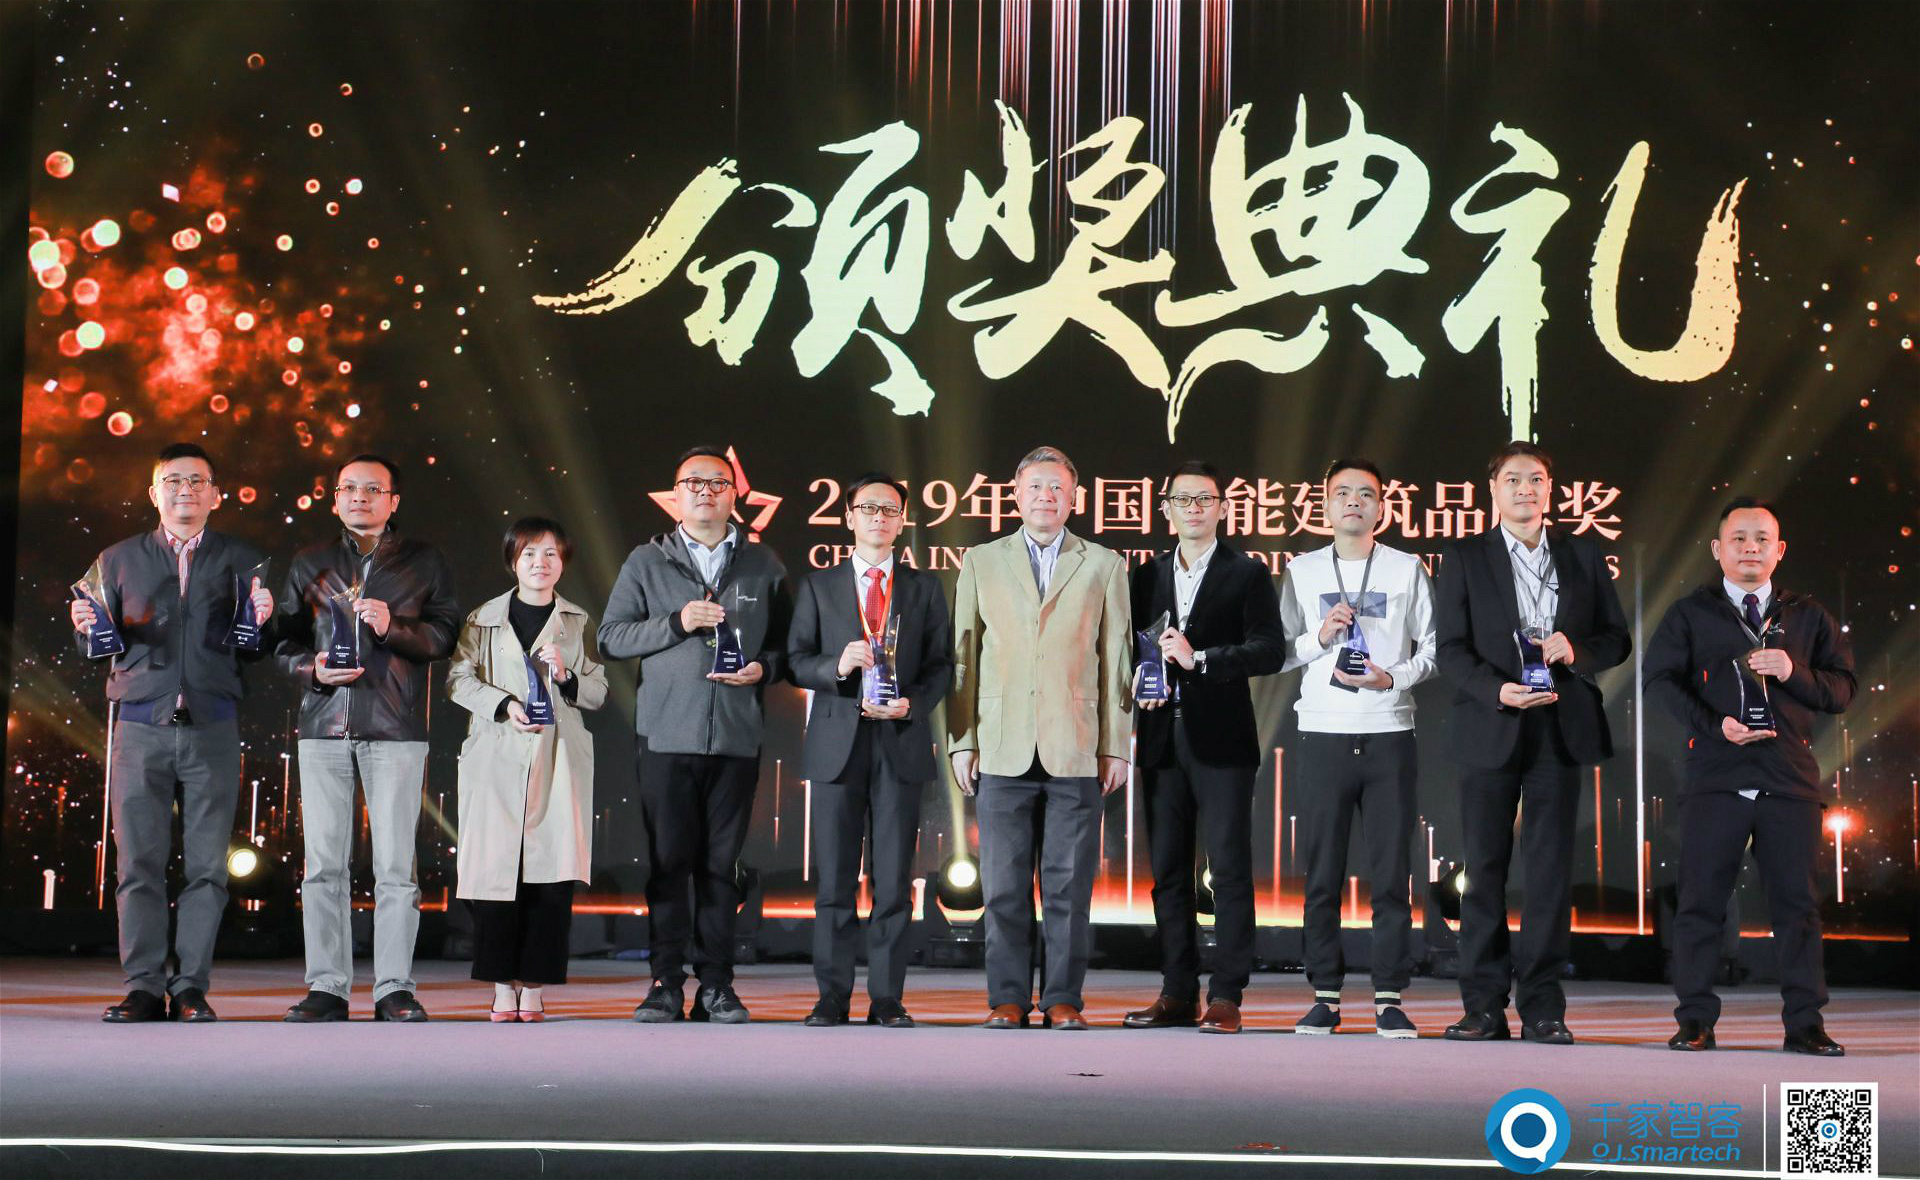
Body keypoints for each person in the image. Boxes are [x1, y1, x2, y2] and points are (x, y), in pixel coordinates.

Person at [1434, 440, 1630, 1045]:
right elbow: (1450, 649)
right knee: (1484, 869)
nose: (1525, 489)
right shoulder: (1464, 556)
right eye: (1513, 479)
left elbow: (1616, 639)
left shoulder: (1582, 554)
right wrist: (1497, 690)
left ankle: (1544, 1007)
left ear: (1551, 489)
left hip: (1559, 725)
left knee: (1548, 871)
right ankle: (1483, 1006)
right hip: (1491, 721)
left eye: (1536, 479)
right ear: (1493, 490)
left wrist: (1577, 650)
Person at [73, 442, 274, 1023]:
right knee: (138, 865)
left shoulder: (245, 561)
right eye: (173, 480)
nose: (185, 489)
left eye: (197, 480)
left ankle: (189, 988)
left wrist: (262, 623)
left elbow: (255, 648)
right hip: (140, 727)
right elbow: (96, 646)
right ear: (153, 493)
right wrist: (84, 626)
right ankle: (142, 986)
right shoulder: (116, 559)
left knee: (208, 869)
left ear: (216, 494)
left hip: (213, 725)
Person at [1646, 498, 1854, 1056]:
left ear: (1779, 550)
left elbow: (1842, 690)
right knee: (1700, 904)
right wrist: (1715, 726)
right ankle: (1695, 1019)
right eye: (1738, 538)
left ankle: (1805, 1023)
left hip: (1789, 780)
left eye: (1762, 539)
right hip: (1716, 777)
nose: (1750, 548)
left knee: (1797, 908)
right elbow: (1659, 681)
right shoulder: (1690, 613)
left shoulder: (1807, 616)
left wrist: (1793, 670)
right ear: (1718, 549)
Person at [599, 446, 791, 1025]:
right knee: (669, 865)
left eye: (717, 482)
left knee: (720, 868)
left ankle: (717, 985)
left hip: (735, 739)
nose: (705, 491)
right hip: (665, 736)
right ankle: (665, 983)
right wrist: (676, 623)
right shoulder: (646, 561)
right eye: (693, 482)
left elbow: (788, 649)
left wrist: (763, 669)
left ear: (734, 496)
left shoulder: (763, 564)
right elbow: (611, 638)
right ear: (675, 495)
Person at [947, 446, 1132, 1031]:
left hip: (1074, 744)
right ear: (1015, 494)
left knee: (1068, 887)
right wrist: (962, 740)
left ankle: (1062, 998)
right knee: (1003, 886)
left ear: (1074, 498)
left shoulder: (1103, 564)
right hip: (1001, 743)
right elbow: (963, 656)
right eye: (1035, 487)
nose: (1045, 497)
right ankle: (1006, 997)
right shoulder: (981, 561)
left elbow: (1117, 659)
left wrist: (1116, 745)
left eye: (1057, 488)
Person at [276, 453, 460, 1023]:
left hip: (395, 728)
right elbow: (281, 643)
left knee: (396, 868)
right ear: (335, 499)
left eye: (373, 489)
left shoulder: (424, 561)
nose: (360, 497)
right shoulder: (309, 563)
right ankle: (327, 988)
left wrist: (392, 626)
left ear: (393, 501)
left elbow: (445, 636)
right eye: (349, 488)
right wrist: (311, 669)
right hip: (323, 728)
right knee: (322, 866)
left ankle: (393, 989)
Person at [1121, 461, 1285, 1035]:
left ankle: (1226, 994)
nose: (1193, 508)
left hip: (1223, 740)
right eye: (1182, 499)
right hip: (1159, 738)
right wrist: (1136, 681)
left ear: (1222, 508)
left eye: (1204, 499)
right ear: (1165, 508)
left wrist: (1202, 660)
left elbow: (1268, 650)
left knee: (1229, 870)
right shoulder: (1144, 576)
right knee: (1168, 871)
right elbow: (1126, 648)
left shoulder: (1247, 573)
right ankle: (1177, 991)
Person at [1276, 458, 1437, 1039]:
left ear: (1381, 507)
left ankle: (1389, 996)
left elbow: (1435, 647)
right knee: (1322, 873)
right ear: (1323, 504)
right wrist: (1318, 638)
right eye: (1342, 492)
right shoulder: (1301, 569)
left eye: (1366, 494)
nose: (1353, 502)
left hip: (1389, 732)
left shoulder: (1406, 567)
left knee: (1391, 874)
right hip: (1322, 732)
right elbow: (1279, 652)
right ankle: (1324, 995)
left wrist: (1392, 678)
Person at [786, 473, 952, 1028]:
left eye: (890, 509)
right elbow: (796, 660)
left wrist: (912, 705)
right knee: (834, 880)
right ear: (849, 517)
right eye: (868, 508)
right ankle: (831, 996)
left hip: (899, 740)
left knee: (894, 881)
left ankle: (886, 997)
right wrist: (837, 666)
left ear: (902, 521)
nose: (879, 517)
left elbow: (941, 666)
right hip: (837, 742)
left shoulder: (924, 588)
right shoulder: (819, 585)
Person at [448, 517, 609, 1023]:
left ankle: (534, 987)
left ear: (564, 563)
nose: (540, 563)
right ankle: (502, 986)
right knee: (496, 872)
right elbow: (457, 679)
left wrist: (566, 675)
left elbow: (598, 690)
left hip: (557, 756)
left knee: (550, 873)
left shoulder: (578, 622)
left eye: (551, 554)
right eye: (529, 554)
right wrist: (503, 705)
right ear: (512, 562)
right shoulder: (482, 619)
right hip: (497, 753)